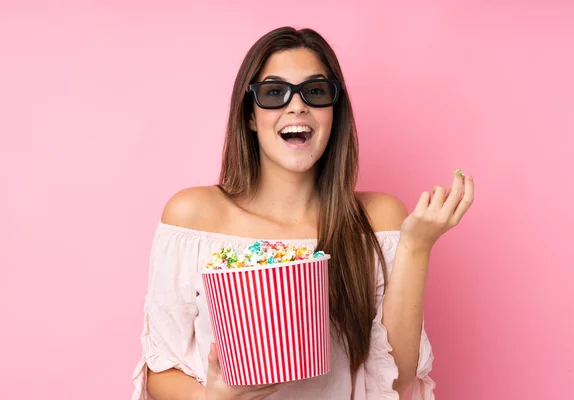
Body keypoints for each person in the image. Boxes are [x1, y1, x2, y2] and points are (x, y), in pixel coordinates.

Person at [131, 26, 474, 400]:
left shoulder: (380, 220)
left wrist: (417, 246)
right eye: (274, 93)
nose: (297, 106)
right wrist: (217, 396)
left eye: (315, 91)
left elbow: (396, 380)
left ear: (333, 112)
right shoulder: (192, 216)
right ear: (250, 116)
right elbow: (159, 369)